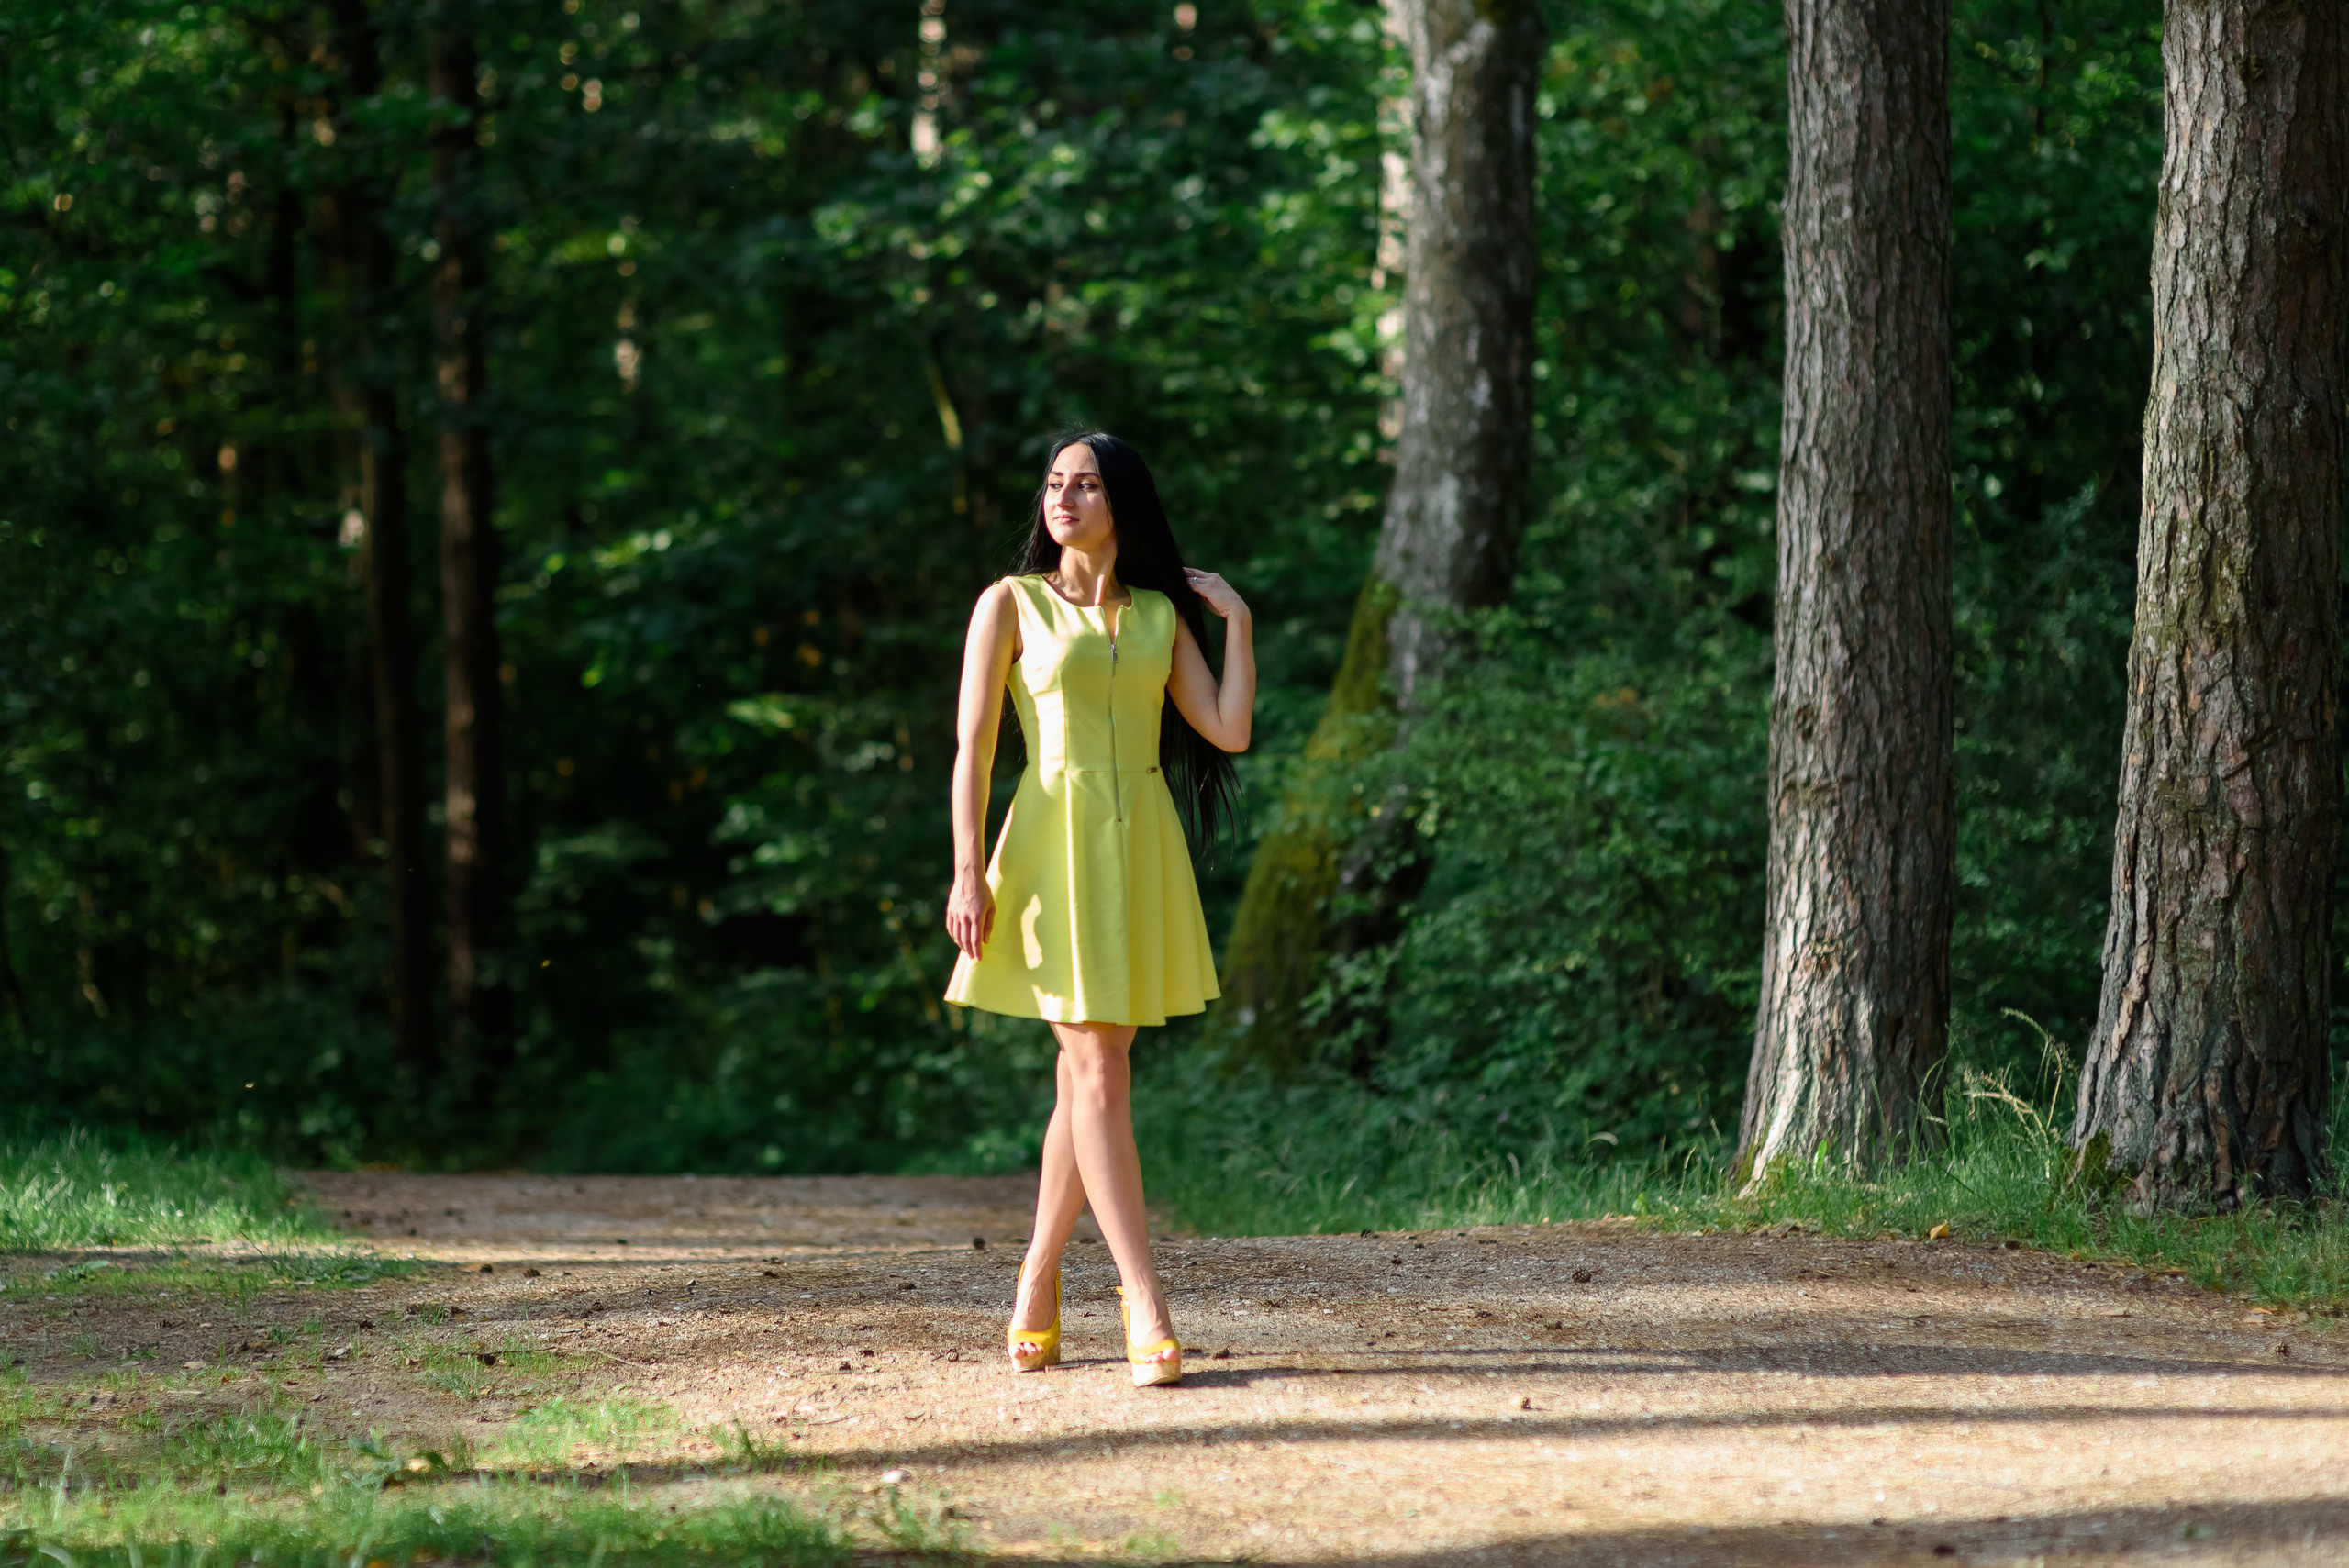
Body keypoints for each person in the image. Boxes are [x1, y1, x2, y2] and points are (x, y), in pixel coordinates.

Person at [943, 432, 1254, 1389]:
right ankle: (1143, 1299)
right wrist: (966, 870)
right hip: (1045, 843)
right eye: (1052, 482)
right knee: (1096, 1069)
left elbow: (1228, 727)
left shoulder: (1160, 615)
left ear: (1121, 500)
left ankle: (1036, 1278)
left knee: (1090, 1073)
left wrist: (1237, 620)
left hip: (1138, 840)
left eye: (1084, 483)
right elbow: (973, 745)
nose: (1063, 497)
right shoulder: (1010, 602)